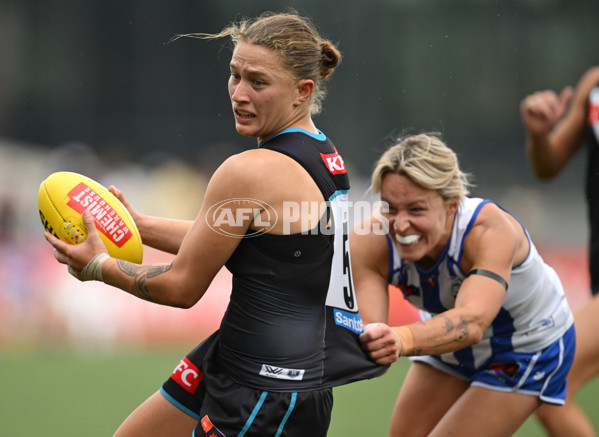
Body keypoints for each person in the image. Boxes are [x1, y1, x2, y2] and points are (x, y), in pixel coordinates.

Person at [44, 11, 387, 437]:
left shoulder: (250, 170)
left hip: (267, 391)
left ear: (303, 91)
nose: (239, 94)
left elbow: (183, 286)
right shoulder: (325, 156)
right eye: (234, 75)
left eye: (258, 82)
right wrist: (138, 226)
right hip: (236, 361)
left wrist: (99, 266)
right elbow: (245, 242)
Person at [351, 132, 576, 437]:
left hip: (527, 345)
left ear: (452, 205)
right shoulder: (370, 240)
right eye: (390, 207)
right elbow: (371, 337)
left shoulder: (488, 231)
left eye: (416, 209)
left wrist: (400, 339)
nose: (401, 224)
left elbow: (471, 323)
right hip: (448, 342)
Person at [521, 66, 599, 437]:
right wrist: (540, 134)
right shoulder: (595, 84)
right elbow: (547, 165)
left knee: (547, 380)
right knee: (549, 385)